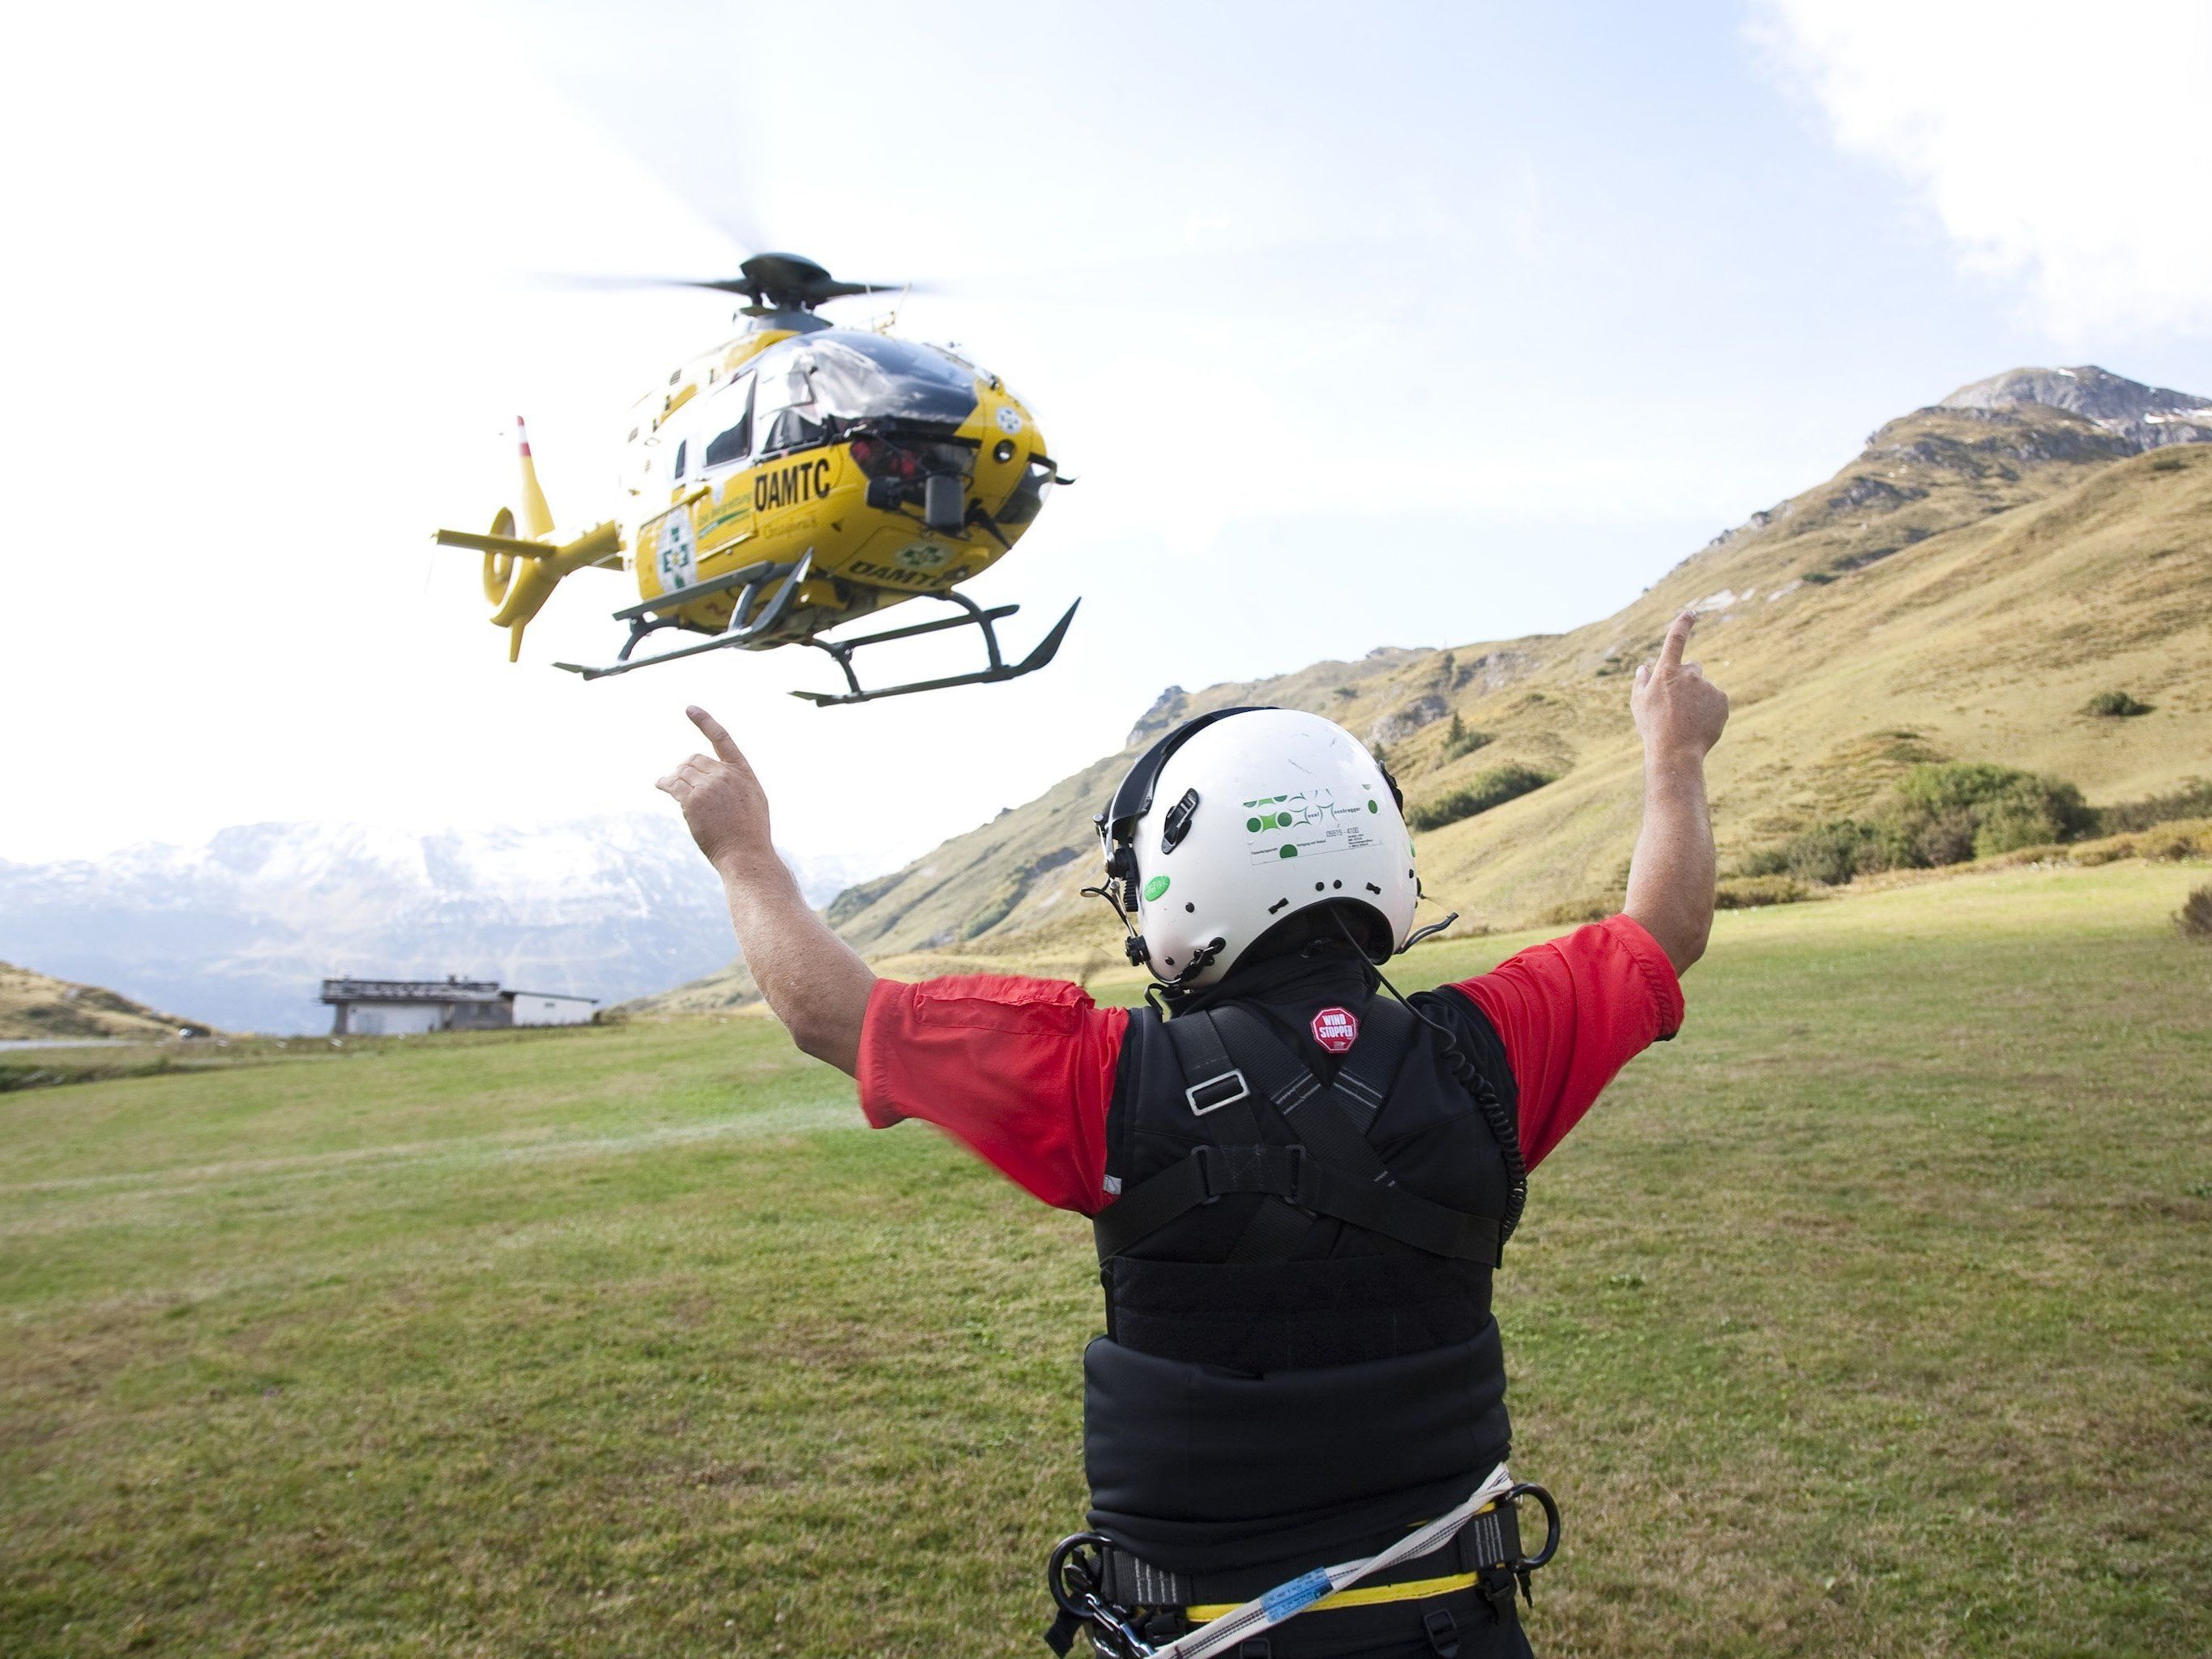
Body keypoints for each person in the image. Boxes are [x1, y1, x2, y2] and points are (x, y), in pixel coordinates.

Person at [657, 610, 1731, 1657]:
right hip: (1458, 1616)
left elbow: (829, 1014)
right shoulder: (1492, 1052)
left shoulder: (1098, 1075)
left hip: (1208, 1630)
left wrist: (743, 854)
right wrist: (1671, 754)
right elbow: (1661, 933)